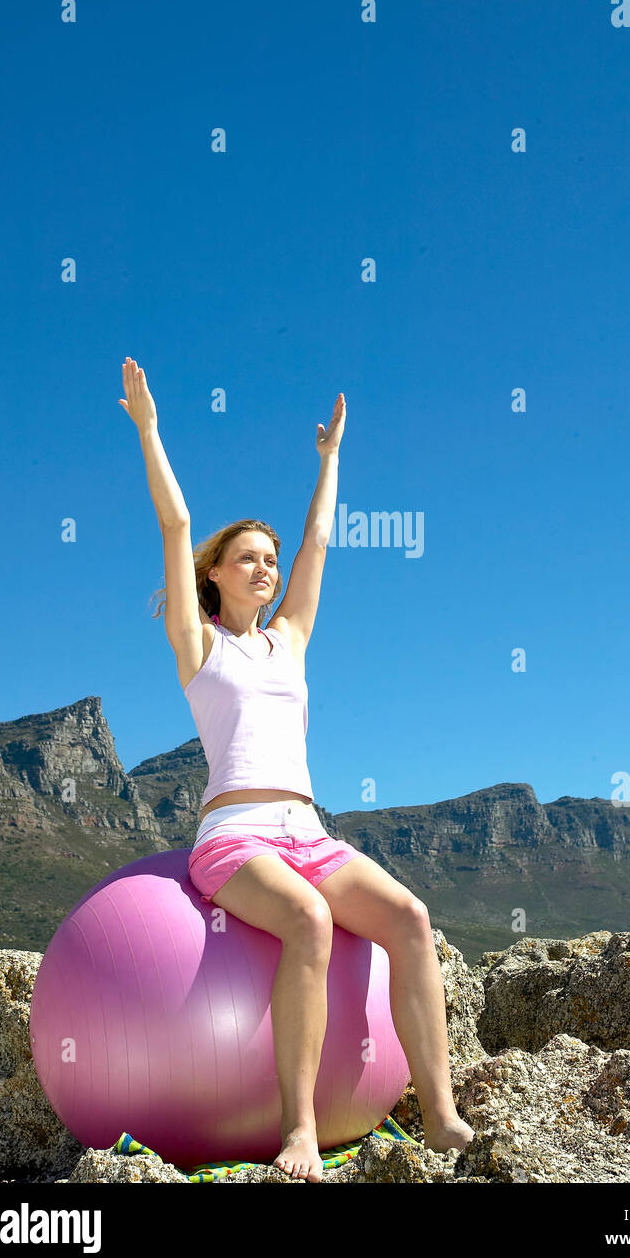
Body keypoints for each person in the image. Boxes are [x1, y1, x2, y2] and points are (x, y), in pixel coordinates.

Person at [119, 356, 474, 1182]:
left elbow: (318, 541)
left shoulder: (291, 640)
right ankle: (301, 1130)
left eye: (268, 561)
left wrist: (330, 462)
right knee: (310, 923)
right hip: (235, 838)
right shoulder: (198, 647)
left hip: (308, 832)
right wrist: (148, 427)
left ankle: (445, 1114)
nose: (265, 569)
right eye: (247, 558)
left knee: (414, 920)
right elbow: (175, 527)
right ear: (214, 574)